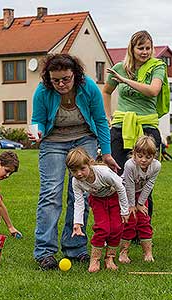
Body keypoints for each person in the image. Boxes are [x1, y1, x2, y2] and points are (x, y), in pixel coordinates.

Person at [28, 53, 119, 270]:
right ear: (48, 78)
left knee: (79, 192)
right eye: (55, 80)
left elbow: (99, 120)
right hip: (53, 142)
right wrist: (37, 132)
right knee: (51, 193)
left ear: (75, 75)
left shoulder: (88, 87)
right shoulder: (42, 90)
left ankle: (75, 247)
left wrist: (105, 153)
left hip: (84, 138)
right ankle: (45, 251)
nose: (61, 84)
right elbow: (38, 119)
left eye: (65, 79)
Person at [102, 30, 169, 219]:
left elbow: (153, 91)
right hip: (120, 127)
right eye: (141, 48)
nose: (145, 52)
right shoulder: (119, 67)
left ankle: (142, 229)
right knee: (118, 177)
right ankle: (120, 225)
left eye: (148, 48)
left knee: (144, 178)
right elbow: (106, 91)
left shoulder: (157, 67)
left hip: (146, 128)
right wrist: (109, 117)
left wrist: (125, 81)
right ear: (132, 48)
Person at [66, 147, 129, 273]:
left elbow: (121, 188)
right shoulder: (76, 181)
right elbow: (78, 202)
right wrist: (77, 223)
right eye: (74, 170)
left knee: (117, 228)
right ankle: (95, 259)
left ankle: (109, 258)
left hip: (114, 197)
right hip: (98, 201)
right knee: (102, 228)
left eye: (82, 169)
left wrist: (124, 211)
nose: (79, 174)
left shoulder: (104, 172)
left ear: (89, 163)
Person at [119, 136, 161, 263]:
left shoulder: (156, 166)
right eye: (140, 156)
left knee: (144, 221)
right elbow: (129, 186)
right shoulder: (129, 165)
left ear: (154, 156)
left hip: (141, 195)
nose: (143, 160)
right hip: (126, 193)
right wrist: (132, 205)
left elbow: (149, 185)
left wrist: (140, 203)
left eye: (148, 157)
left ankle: (148, 253)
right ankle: (123, 253)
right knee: (129, 222)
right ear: (134, 154)